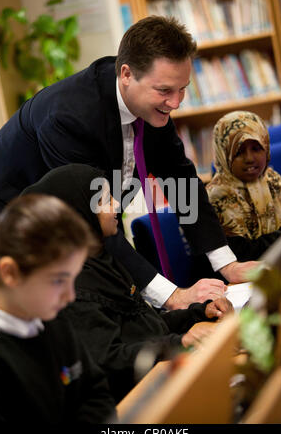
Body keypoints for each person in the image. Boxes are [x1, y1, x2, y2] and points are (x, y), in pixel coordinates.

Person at [0, 15, 257, 310]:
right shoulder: (69, 118)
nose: (176, 102)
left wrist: (227, 264)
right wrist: (172, 296)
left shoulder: (149, 103)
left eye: (182, 88)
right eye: (165, 90)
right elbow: (92, 222)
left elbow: (181, 181)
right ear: (127, 74)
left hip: (73, 230)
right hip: (11, 232)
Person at [22, 163, 234, 403]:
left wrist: (199, 312)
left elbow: (145, 325)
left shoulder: (102, 262)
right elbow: (109, 358)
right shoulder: (72, 289)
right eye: (104, 200)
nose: (115, 205)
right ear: (77, 216)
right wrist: (180, 342)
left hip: (156, 381)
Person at [0, 193, 116, 424]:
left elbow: (94, 391)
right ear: (10, 273)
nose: (70, 296)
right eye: (58, 280)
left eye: (73, 279)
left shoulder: (52, 320)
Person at [206, 110, 281, 261]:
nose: (250, 158)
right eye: (239, 152)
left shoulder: (272, 180)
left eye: (257, 148)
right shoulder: (217, 196)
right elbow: (243, 254)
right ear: (224, 154)